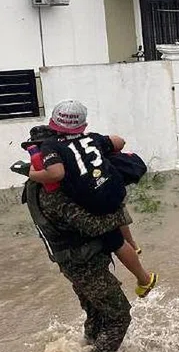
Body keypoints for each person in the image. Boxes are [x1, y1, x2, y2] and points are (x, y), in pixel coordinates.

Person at [24, 100, 157, 298]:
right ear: (84, 125)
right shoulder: (92, 138)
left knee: (115, 241)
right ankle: (134, 245)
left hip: (94, 203)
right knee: (115, 211)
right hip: (114, 189)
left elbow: (56, 173)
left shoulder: (52, 146)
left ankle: (144, 279)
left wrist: (32, 173)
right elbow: (119, 142)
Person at [20, 176, 132, 352]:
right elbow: (91, 226)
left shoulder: (38, 185)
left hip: (74, 263)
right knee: (119, 316)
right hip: (84, 265)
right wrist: (118, 213)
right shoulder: (52, 193)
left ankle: (86, 350)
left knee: (96, 314)